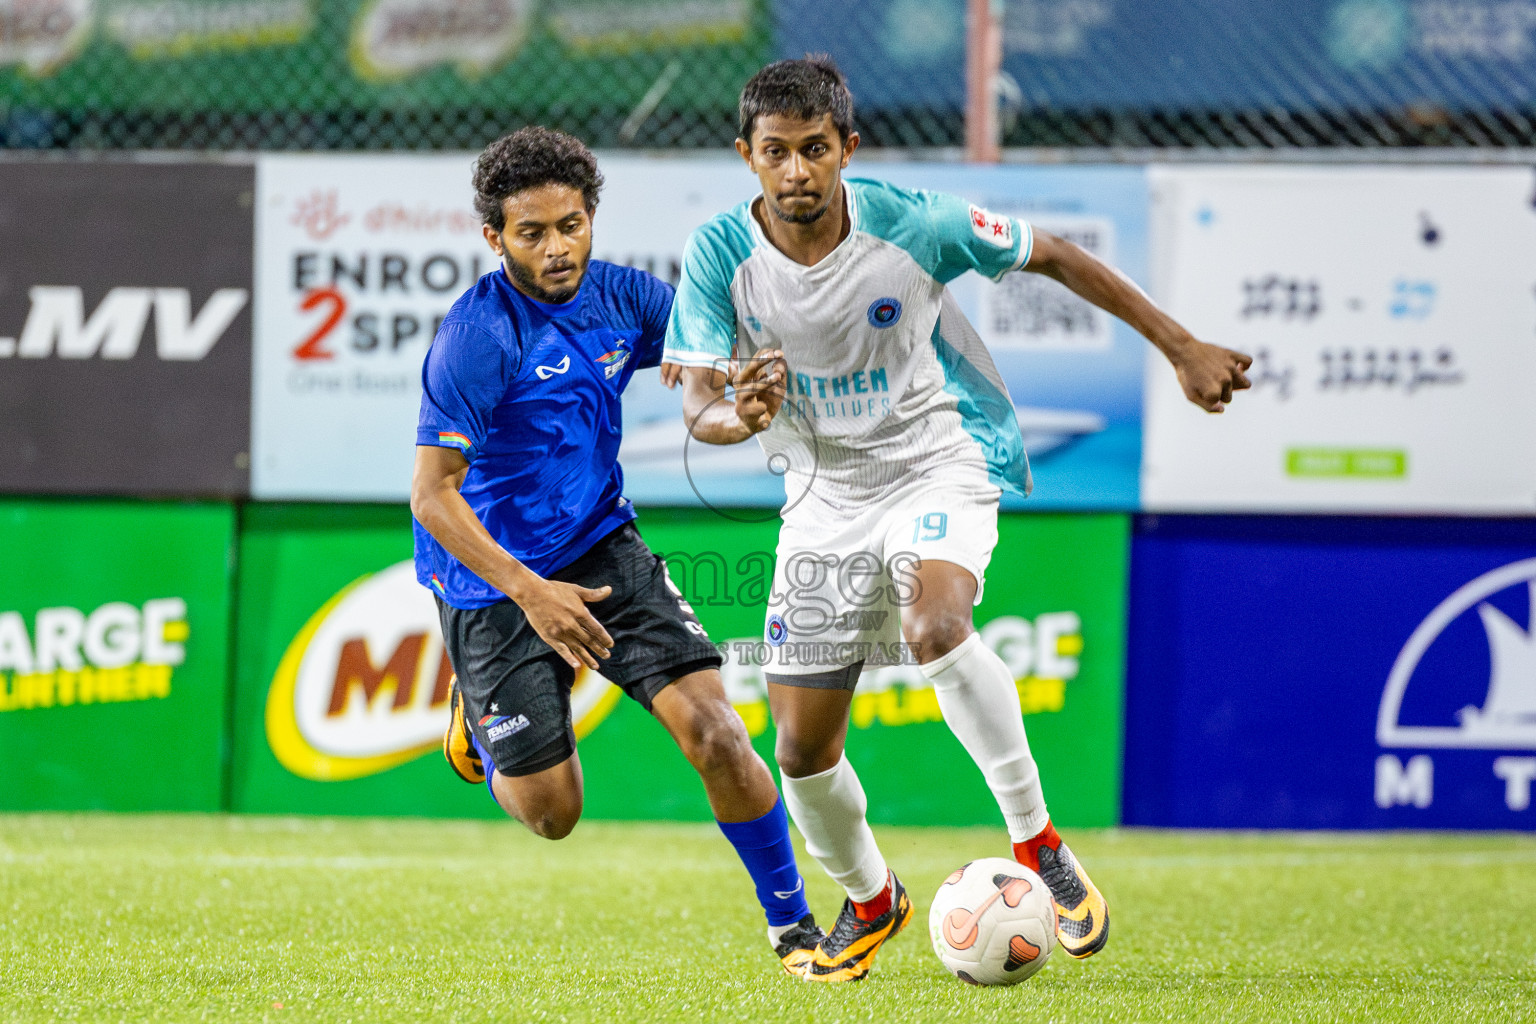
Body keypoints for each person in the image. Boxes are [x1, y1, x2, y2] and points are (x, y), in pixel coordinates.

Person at [661, 58, 1252, 982]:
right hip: (822, 498)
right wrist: (738, 417)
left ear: (846, 149)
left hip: (939, 456)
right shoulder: (715, 257)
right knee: (801, 753)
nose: (796, 173)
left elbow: (1050, 252)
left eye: (815, 150)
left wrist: (1180, 346)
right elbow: (697, 404)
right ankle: (869, 898)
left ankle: (1039, 844)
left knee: (935, 625)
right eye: (775, 153)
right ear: (747, 156)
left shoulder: (912, 222)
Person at [411, 126, 823, 975]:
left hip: (601, 544)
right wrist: (531, 593)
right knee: (553, 814)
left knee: (715, 731)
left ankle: (794, 926)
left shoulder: (627, 299)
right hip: (492, 581)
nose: (557, 247)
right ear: (495, 238)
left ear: (591, 217)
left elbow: (710, 373)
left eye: (571, 225)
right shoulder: (479, 337)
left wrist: (743, 392)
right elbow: (433, 496)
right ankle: (480, 726)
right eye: (532, 232)